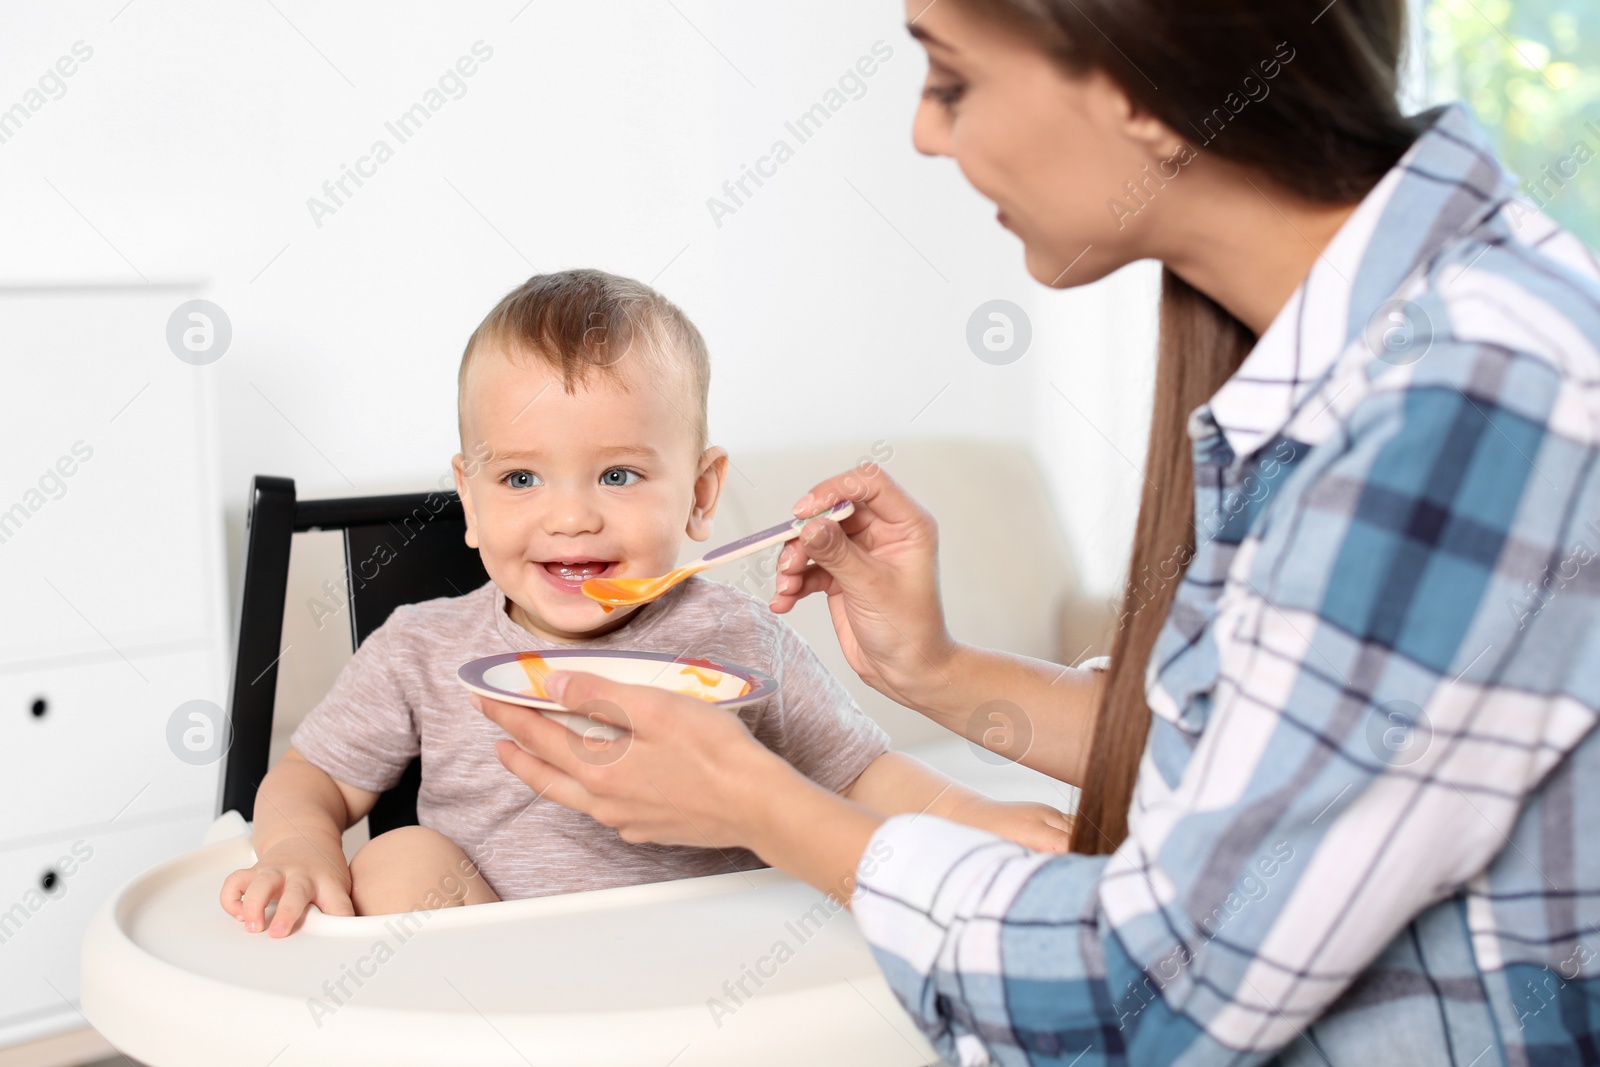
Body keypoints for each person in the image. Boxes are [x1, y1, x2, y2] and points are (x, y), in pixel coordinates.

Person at [470, 1, 1600, 1064]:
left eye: (952, 78)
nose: (921, 131)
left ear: (1139, 83)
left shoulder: (1464, 402)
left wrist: (759, 804)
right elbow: (1272, 760)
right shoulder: (1345, 359)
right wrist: (939, 671)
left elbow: (1151, 993)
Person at [218, 268, 1072, 938]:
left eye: (619, 474)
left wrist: (976, 819)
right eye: (520, 477)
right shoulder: (419, 648)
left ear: (702, 494)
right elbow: (311, 776)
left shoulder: (736, 634)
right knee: (397, 859)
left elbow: (861, 774)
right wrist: (296, 845)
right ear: (470, 500)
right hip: (505, 991)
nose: (571, 515)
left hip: (707, 987)